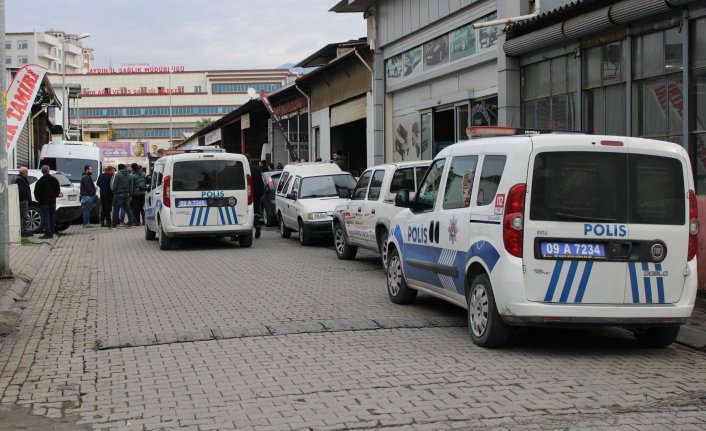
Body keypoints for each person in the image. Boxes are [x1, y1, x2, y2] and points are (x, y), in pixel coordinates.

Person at [33, 165, 60, 239]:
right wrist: (54, 196)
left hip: (44, 202)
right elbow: (58, 190)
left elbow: (37, 192)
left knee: (46, 217)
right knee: (52, 217)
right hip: (52, 201)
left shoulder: (40, 181)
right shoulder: (54, 180)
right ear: (49, 171)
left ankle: (47, 233)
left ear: (42, 171)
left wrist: (39, 199)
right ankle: (51, 232)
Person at [111, 163, 135, 228]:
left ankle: (114, 225)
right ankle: (132, 223)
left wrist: (114, 191)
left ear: (118, 168)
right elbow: (131, 186)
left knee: (116, 210)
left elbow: (115, 184)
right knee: (128, 210)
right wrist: (130, 194)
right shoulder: (129, 175)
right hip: (127, 194)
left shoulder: (118, 174)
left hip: (118, 194)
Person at [14, 167, 33, 237]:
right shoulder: (20, 179)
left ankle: (25, 230)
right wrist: (23, 199)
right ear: (24, 172)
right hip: (23, 201)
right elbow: (21, 191)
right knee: (23, 216)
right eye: (27, 172)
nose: (27, 173)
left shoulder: (22, 178)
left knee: (24, 216)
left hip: (24, 200)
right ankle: (22, 231)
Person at [250, 160, 265, 239]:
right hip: (256, 194)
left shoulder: (243, 168)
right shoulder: (256, 169)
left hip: (246, 194)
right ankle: (257, 224)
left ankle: (247, 229)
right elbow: (261, 182)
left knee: (247, 211)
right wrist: (261, 193)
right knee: (256, 211)